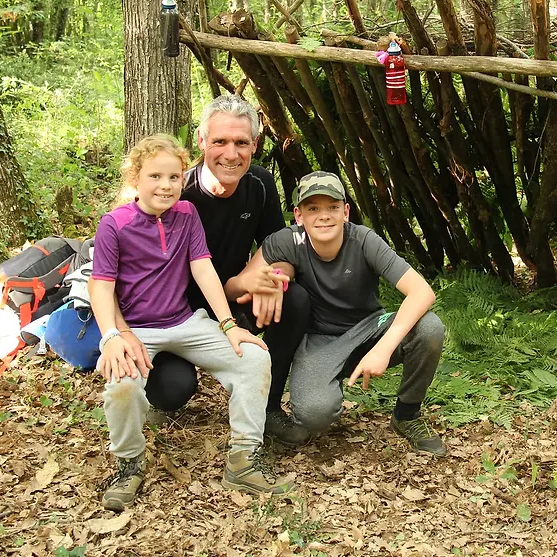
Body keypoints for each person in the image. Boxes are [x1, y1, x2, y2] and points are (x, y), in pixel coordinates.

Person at [89, 135, 293, 511]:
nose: (165, 185)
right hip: (136, 329)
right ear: (135, 178)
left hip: (185, 321)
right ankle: (129, 464)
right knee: (122, 385)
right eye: (155, 176)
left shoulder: (186, 214)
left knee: (253, 358)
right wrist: (113, 337)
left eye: (174, 177)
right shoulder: (114, 224)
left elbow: (202, 269)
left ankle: (244, 460)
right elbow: (101, 286)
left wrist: (229, 325)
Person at [142, 95, 310, 446]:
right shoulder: (176, 193)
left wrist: (274, 279)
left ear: (255, 145)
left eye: (241, 143)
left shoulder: (260, 184)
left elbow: (279, 246)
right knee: (172, 390)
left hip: (233, 302)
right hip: (177, 312)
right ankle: (158, 386)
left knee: (293, 300)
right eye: (220, 141)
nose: (231, 154)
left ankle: (267, 407)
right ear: (201, 141)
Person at [261, 171, 447, 456]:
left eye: (333, 207)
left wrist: (383, 348)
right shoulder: (288, 241)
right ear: (299, 215)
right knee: (313, 415)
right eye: (313, 208)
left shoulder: (363, 240)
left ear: (345, 211)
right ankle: (324, 386)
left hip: (369, 328)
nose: (324, 216)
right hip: (320, 339)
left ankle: (407, 414)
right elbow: (245, 279)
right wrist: (272, 280)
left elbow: (422, 292)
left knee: (429, 328)